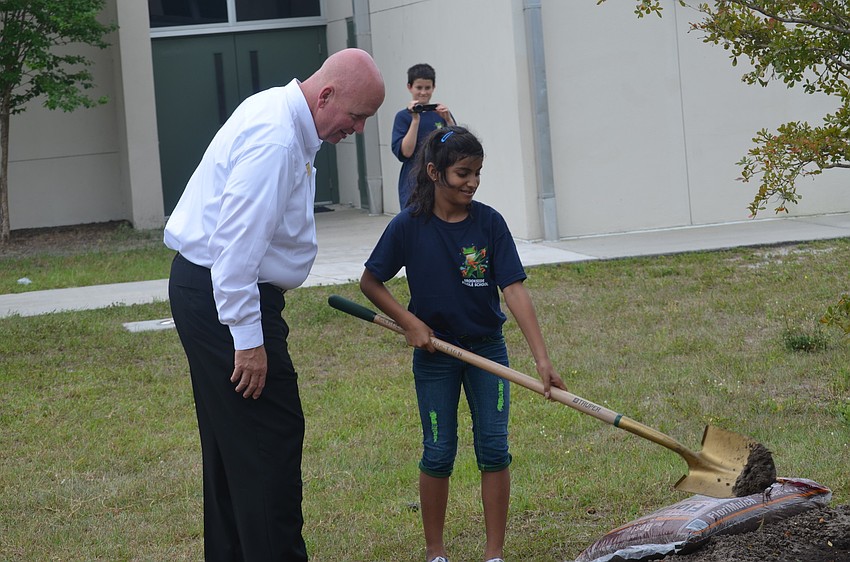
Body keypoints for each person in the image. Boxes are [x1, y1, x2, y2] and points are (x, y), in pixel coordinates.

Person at [164, 48, 384, 561]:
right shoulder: (277, 141)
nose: (357, 129)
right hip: (226, 298)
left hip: (213, 292)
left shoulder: (281, 116)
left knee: (233, 450)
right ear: (326, 95)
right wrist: (248, 341)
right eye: (356, 116)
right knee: (268, 447)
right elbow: (234, 253)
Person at [360, 126, 566, 562]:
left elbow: (513, 289)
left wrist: (542, 359)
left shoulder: (488, 223)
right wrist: (410, 322)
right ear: (434, 172)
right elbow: (370, 280)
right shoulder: (409, 226)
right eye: (462, 172)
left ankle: (494, 555)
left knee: (494, 447)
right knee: (438, 451)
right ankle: (436, 553)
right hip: (435, 355)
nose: (472, 182)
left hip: (487, 350)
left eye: (477, 173)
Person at [392, 63, 456, 209]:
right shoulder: (403, 117)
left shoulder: (441, 115)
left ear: (434, 87)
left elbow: (456, 145)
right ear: (410, 87)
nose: (423, 92)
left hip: (438, 178)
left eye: (427, 88)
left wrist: (448, 120)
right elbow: (406, 152)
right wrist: (415, 119)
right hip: (413, 181)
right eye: (419, 88)